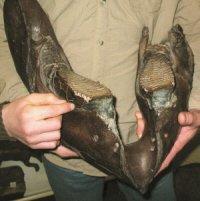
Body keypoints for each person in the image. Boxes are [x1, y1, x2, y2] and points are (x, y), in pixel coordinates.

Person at [0, 0, 200, 201]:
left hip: (151, 137)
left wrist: (195, 106)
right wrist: (16, 106)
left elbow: (195, 28)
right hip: (63, 140)